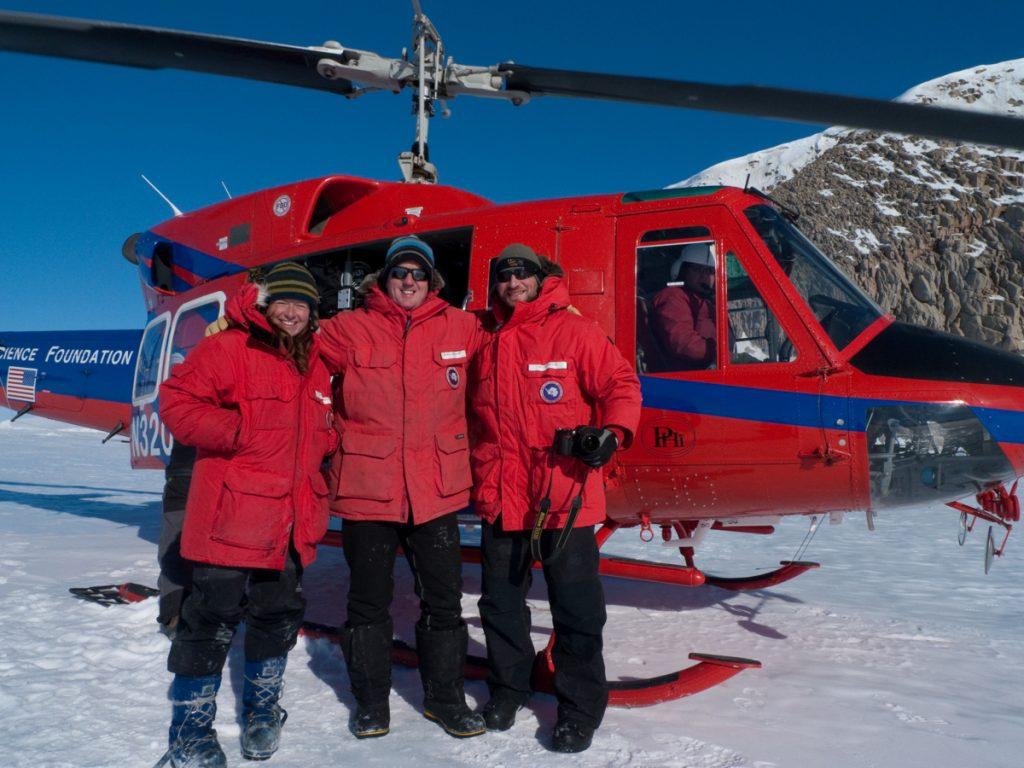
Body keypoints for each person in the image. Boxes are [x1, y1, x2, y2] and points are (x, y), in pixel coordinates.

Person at [222, 235, 486, 740]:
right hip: (369, 489)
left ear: (433, 281)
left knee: (445, 603)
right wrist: (242, 309)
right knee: (368, 603)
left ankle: (446, 700)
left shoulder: (463, 326)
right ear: (383, 280)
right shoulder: (347, 329)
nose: (408, 281)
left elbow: (513, 347)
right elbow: (285, 333)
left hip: (436, 489)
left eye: (418, 273)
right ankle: (370, 704)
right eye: (399, 273)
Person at [158, 262, 337, 767]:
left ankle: (261, 709)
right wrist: (239, 433)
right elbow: (176, 402)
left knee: (277, 613)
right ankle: (190, 729)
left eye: (301, 304)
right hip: (232, 517)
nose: (291, 312)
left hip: (289, 520)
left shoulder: (320, 363)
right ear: (264, 303)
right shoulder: (229, 348)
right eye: (283, 301)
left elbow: (322, 430)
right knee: (210, 617)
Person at [468, 243, 641, 753]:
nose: (513, 282)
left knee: (577, 610)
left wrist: (613, 432)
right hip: (501, 496)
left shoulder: (575, 330)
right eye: (503, 275)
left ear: (542, 278)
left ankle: (579, 709)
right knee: (500, 604)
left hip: (563, 498)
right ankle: (508, 689)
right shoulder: (483, 336)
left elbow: (621, 384)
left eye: (522, 273)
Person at [650, 242, 717, 370]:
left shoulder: (704, 302)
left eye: (709, 271)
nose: (704, 275)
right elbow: (684, 343)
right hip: (690, 380)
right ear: (683, 270)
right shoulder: (673, 297)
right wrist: (722, 354)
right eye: (697, 269)